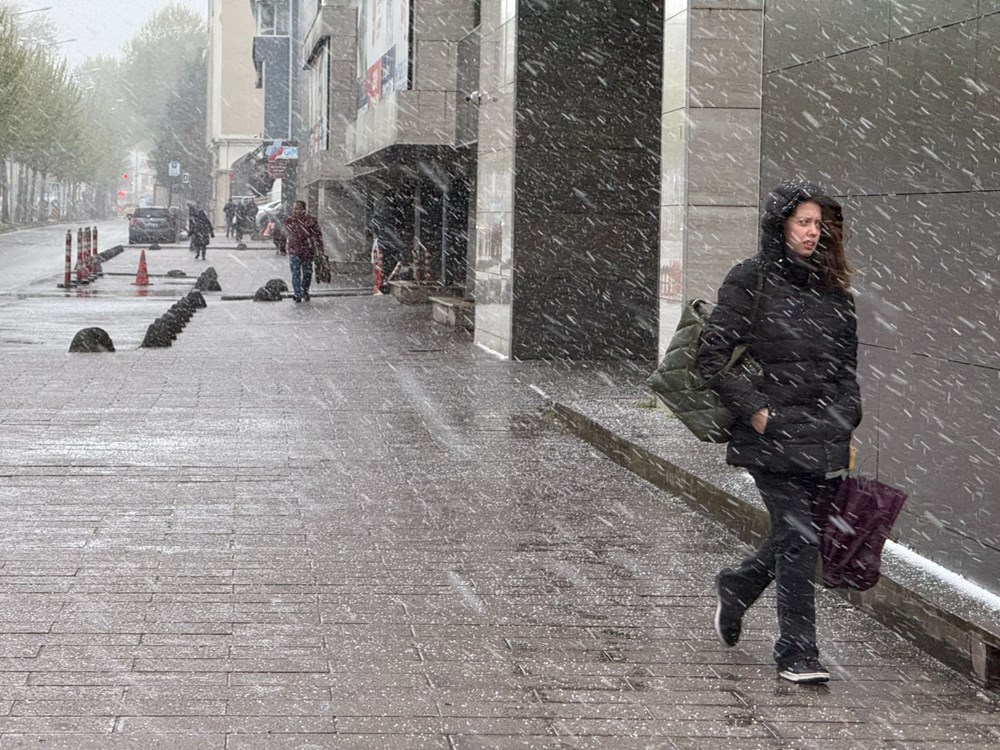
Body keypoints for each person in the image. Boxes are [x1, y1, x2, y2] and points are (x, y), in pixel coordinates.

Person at [696, 181, 861, 685]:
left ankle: (738, 585)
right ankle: (796, 652)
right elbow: (709, 358)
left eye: (820, 225)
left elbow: (846, 374)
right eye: (803, 222)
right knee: (800, 538)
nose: (813, 233)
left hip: (820, 434)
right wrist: (756, 412)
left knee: (795, 535)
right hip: (769, 434)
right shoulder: (751, 278)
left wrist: (845, 419)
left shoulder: (836, 290)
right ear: (780, 226)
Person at [283, 200, 324, 302]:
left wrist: (320, 249)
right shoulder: (289, 221)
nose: (295, 211)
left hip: (307, 251)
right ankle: (297, 294)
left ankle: (304, 291)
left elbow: (318, 236)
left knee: (307, 273)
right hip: (294, 251)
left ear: (303, 209)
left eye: (297, 208)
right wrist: (284, 246)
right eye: (294, 208)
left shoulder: (311, 221)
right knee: (295, 273)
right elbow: (285, 235)